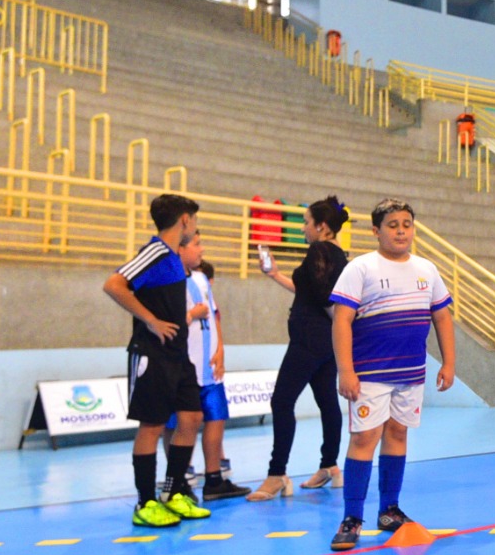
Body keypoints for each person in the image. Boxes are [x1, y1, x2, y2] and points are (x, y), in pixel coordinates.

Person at [327, 199, 456, 552]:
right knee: (364, 438)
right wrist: (346, 371)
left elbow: (442, 317)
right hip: (369, 374)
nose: (401, 231)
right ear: (376, 231)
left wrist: (448, 362)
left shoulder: (426, 269)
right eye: (393, 225)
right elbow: (341, 320)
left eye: (407, 224)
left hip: (410, 374)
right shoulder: (360, 268)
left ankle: (389, 510)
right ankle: (352, 517)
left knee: (398, 434)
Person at [101, 193, 211, 528]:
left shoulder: (175, 258)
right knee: (151, 426)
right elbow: (114, 284)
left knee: (191, 418)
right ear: (184, 221)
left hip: (178, 354)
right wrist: (151, 320)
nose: (194, 226)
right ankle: (144, 503)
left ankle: (174, 491)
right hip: (152, 352)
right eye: (193, 220)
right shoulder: (154, 251)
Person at [250, 196, 350, 501]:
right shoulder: (337, 254)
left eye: (306, 223)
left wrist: (343, 329)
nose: (304, 228)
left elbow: (323, 297)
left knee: (281, 402)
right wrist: (276, 275)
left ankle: (276, 474)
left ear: (321, 226)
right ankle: (330, 465)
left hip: (310, 339)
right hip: (326, 342)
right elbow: (312, 290)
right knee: (326, 401)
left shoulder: (319, 250)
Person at [178, 248, 246, 501]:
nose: (202, 249)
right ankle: (180, 478)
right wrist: (190, 315)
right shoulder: (169, 282)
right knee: (179, 424)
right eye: (196, 243)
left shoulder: (201, 279)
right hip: (184, 367)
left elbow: (214, 317)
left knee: (216, 419)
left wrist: (220, 349)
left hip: (209, 367)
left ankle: (214, 479)